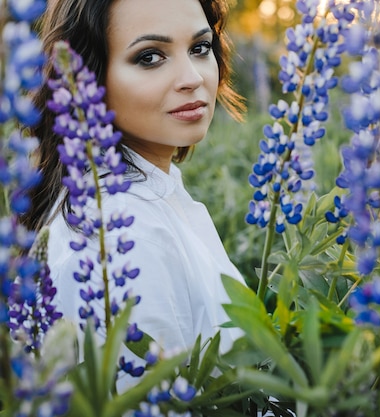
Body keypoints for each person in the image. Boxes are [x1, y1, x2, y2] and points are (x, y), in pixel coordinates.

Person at [20, 0, 246, 388]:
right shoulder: (123, 229)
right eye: (150, 56)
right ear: (91, 78)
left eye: (199, 48)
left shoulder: (149, 193)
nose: (192, 77)